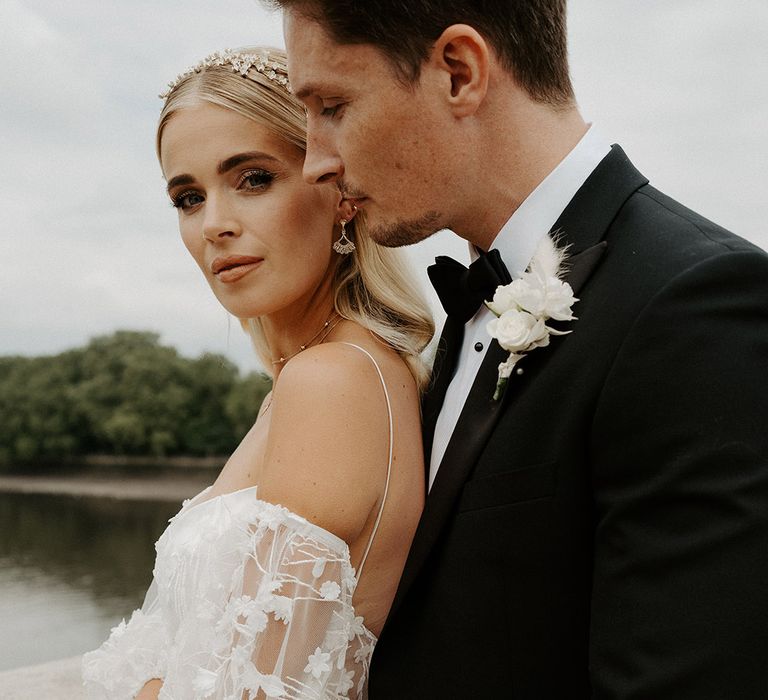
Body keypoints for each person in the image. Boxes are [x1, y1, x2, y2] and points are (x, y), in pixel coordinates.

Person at [272, 1, 768, 697]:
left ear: (458, 71)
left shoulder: (696, 308)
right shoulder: (476, 304)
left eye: (331, 105)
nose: (316, 163)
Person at [81, 47, 433, 700]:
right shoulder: (322, 372)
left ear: (340, 188)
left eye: (252, 179)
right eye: (188, 197)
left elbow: (253, 687)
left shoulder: (330, 383)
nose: (214, 225)